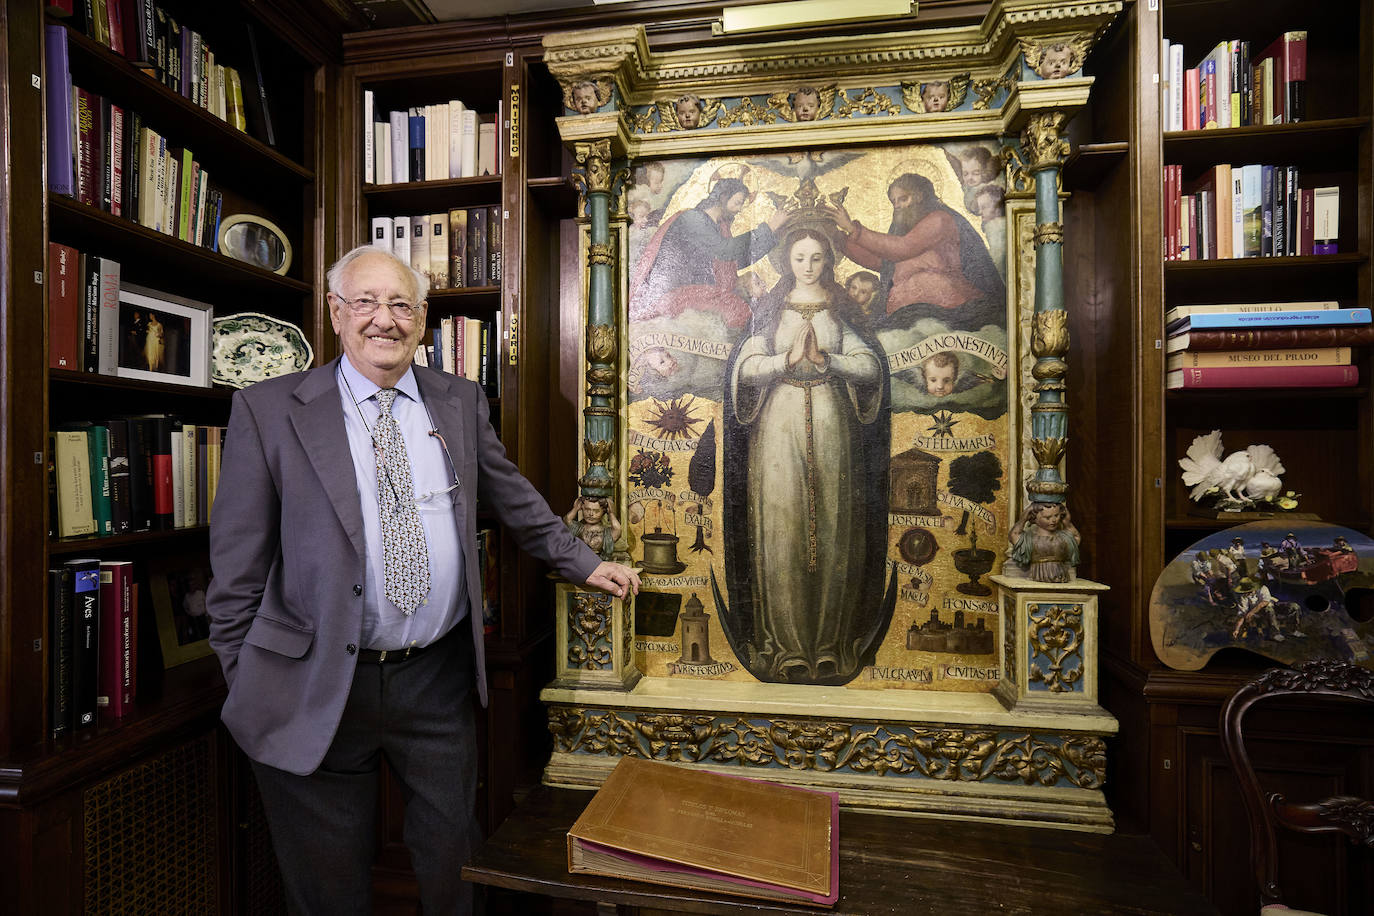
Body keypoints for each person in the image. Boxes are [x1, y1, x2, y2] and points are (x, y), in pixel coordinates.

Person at [206, 246, 639, 916]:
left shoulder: (459, 400)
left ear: (423, 318)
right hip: (314, 682)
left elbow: (511, 494)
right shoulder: (268, 411)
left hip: (433, 678)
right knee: (327, 886)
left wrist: (581, 558)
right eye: (367, 302)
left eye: (401, 303)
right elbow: (235, 570)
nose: (386, 319)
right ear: (336, 313)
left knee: (452, 862)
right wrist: (250, 682)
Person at [723, 227, 890, 684]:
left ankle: (830, 647)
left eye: (817, 258)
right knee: (783, 532)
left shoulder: (840, 313)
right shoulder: (771, 312)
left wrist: (828, 363)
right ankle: (788, 648)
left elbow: (870, 365)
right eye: (801, 258)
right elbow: (746, 368)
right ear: (785, 261)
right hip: (777, 427)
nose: (809, 266)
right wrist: (785, 361)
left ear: (829, 262)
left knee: (834, 528)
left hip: (835, 425)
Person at [832, 172, 1005, 328]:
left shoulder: (939, 219)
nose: (898, 205)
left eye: (903, 199)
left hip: (949, 306)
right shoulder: (903, 226)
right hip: (911, 314)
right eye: (894, 202)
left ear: (919, 196)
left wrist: (853, 229)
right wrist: (843, 241)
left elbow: (903, 248)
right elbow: (884, 263)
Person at [629, 177, 786, 328]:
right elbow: (725, 250)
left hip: (700, 292)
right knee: (737, 310)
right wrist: (768, 228)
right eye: (737, 203)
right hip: (675, 293)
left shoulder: (718, 227)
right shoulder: (693, 218)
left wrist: (770, 235)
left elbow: (735, 260)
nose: (739, 210)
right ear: (723, 198)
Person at [1007, 501, 1080, 583]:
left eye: (1056, 515)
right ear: (1034, 518)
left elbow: (1076, 537)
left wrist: (1067, 522)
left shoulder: (1064, 537)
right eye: (1047, 517)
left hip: (1062, 577)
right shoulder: (1029, 539)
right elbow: (1014, 535)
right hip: (1037, 577)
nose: (1053, 520)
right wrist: (1023, 519)